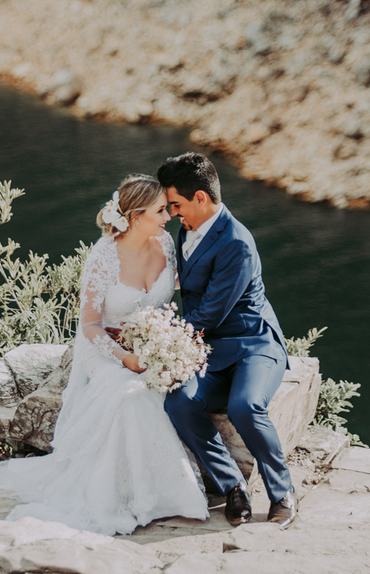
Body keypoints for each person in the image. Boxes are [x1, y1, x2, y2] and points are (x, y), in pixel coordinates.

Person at [0, 175, 210, 535]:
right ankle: (129, 497)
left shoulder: (166, 243)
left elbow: (177, 288)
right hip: (105, 348)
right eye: (160, 210)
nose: (168, 216)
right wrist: (126, 358)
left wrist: (165, 339)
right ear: (137, 216)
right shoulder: (104, 256)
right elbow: (90, 326)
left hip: (150, 344)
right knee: (131, 396)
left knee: (151, 391)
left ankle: (160, 494)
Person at [156, 152, 297, 528]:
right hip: (210, 350)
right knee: (180, 403)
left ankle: (282, 492)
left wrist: (158, 334)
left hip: (253, 345)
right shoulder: (188, 229)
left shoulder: (237, 242)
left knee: (245, 406)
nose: (172, 214)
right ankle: (233, 484)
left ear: (201, 198)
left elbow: (209, 313)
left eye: (177, 205)